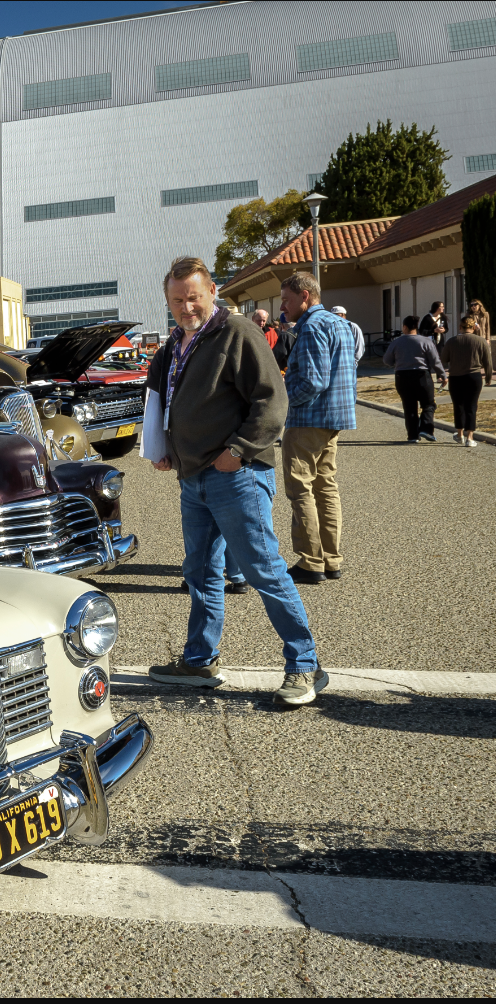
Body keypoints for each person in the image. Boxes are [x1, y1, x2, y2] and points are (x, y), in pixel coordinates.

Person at [146, 256, 323, 706]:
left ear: (212, 292)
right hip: (194, 479)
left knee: (264, 569)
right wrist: (162, 446)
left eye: (193, 297)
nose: (186, 307)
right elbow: (164, 399)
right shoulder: (175, 344)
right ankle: (199, 661)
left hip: (236, 476)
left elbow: (271, 399)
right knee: (201, 573)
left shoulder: (237, 332)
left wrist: (238, 451)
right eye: (177, 300)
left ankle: (305, 665)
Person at [280, 273, 358, 585]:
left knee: (301, 488)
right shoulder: (340, 323)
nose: (282, 306)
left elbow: (313, 381)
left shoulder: (311, 326)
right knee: (325, 487)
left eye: (286, 299)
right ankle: (331, 558)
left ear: (305, 296)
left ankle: (310, 561)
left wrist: (284, 402)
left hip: (308, 418)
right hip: (334, 417)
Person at [383, 316, 446, 443]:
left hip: (402, 376)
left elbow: (387, 360)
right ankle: (426, 429)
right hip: (422, 375)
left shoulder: (396, 342)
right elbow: (435, 361)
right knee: (428, 404)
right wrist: (442, 375)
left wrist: (397, 362)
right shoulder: (426, 342)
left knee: (409, 406)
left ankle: (412, 435)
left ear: (405, 327)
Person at [441, 315, 493, 448]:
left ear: (460, 327)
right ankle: (470, 437)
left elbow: (444, 358)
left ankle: (459, 434)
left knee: (458, 405)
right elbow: (488, 362)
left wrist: (442, 374)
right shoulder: (480, 341)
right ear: (474, 327)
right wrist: (487, 377)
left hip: (456, 377)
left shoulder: (452, 341)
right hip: (474, 377)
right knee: (472, 406)